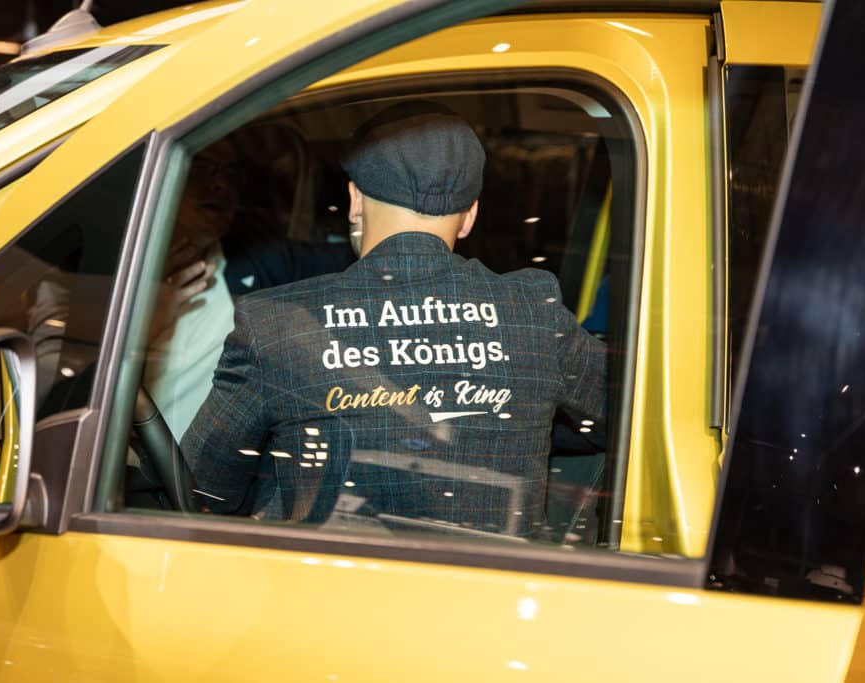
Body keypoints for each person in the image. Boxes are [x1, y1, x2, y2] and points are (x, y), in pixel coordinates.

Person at [181, 103, 607, 538]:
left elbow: (198, 490)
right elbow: (633, 416)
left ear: (355, 200)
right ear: (470, 216)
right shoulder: (534, 309)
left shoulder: (276, 323)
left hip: (322, 593)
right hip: (499, 598)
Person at [143, 138, 353, 440]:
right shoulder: (112, 273)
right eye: (201, 168)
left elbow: (359, 258)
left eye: (230, 174)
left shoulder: (258, 259)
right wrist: (140, 328)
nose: (220, 185)